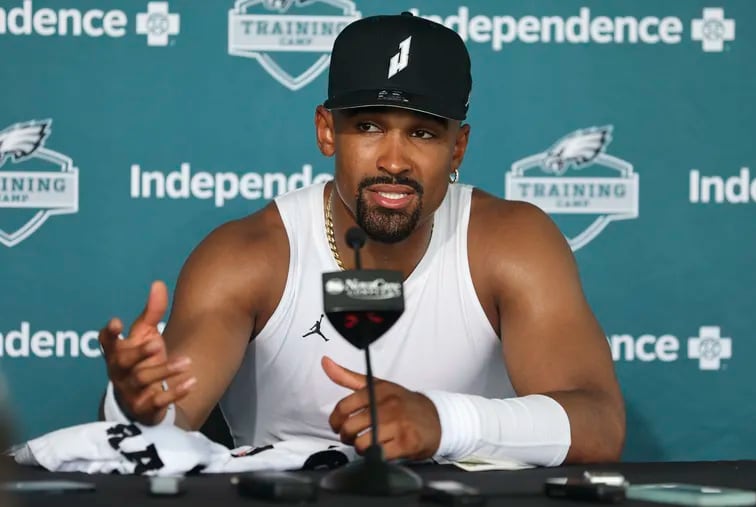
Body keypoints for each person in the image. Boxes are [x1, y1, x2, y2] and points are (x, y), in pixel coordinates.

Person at [98, 12, 625, 466]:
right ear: (327, 131)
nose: (394, 161)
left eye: (422, 132)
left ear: (458, 147)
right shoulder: (249, 256)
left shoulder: (512, 243)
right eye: (370, 127)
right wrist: (138, 406)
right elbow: (170, 412)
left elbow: (599, 422)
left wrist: (442, 421)